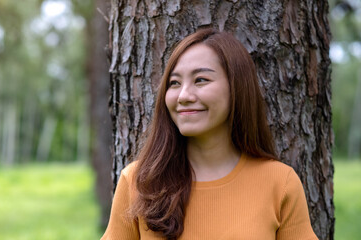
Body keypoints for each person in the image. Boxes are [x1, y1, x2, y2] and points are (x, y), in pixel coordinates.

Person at [101, 28, 318, 240]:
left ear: (237, 87)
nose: (183, 96)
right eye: (174, 83)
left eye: (201, 80)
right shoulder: (138, 182)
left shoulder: (280, 183)